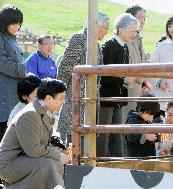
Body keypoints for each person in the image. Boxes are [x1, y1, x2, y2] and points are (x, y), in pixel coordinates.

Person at [0, 79, 70, 189]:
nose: (64, 102)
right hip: (9, 164)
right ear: (48, 98)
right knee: (48, 165)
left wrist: (56, 150)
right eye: (61, 98)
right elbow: (32, 149)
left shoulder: (42, 110)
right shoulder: (30, 114)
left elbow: (40, 143)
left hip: (23, 158)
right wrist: (58, 155)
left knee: (53, 163)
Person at [57, 12, 110, 143]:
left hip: (87, 102)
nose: (107, 32)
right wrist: (63, 95)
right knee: (72, 142)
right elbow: (65, 68)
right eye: (106, 28)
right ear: (97, 25)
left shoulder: (94, 43)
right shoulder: (79, 39)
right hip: (75, 101)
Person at [97, 13, 139, 157]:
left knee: (116, 132)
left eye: (136, 30)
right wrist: (124, 80)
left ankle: (117, 161)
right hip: (107, 97)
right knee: (104, 133)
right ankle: (100, 161)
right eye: (132, 30)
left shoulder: (125, 47)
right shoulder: (109, 46)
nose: (135, 33)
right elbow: (104, 74)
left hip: (118, 97)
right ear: (121, 29)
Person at [0, 5, 26, 142]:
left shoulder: (12, 38)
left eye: (18, 23)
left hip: (12, 92)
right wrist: (22, 70)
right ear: (5, 23)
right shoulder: (1, 38)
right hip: (3, 93)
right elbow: (1, 63)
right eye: (13, 23)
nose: (17, 26)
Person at [123, 5, 152, 122]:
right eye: (140, 18)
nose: (143, 21)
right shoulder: (127, 39)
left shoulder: (138, 38)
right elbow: (130, 64)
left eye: (144, 18)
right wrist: (143, 79)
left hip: (138, 86)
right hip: (129, 86)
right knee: (126, 120)